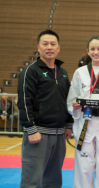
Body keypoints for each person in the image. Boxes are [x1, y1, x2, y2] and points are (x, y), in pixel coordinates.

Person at [17, 29, 73, 188]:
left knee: (54, 180)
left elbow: (66, 99)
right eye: (45, 44)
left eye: (53, 44)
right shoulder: (31, 71)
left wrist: (68, 124)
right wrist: (31, 129)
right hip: (38, 134)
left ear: (59, 47)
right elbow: (24, 101)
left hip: (59, 135)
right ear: (38, 47)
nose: (49, 47)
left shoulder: (62, 73)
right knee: (32, 180)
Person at [67, 36, 99, 188]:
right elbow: (71, 100)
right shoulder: (79, 72)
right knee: (83, 166)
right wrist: (74, 107)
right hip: (85, 123)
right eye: (93, 49)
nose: (96, 52)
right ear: (87, 52)